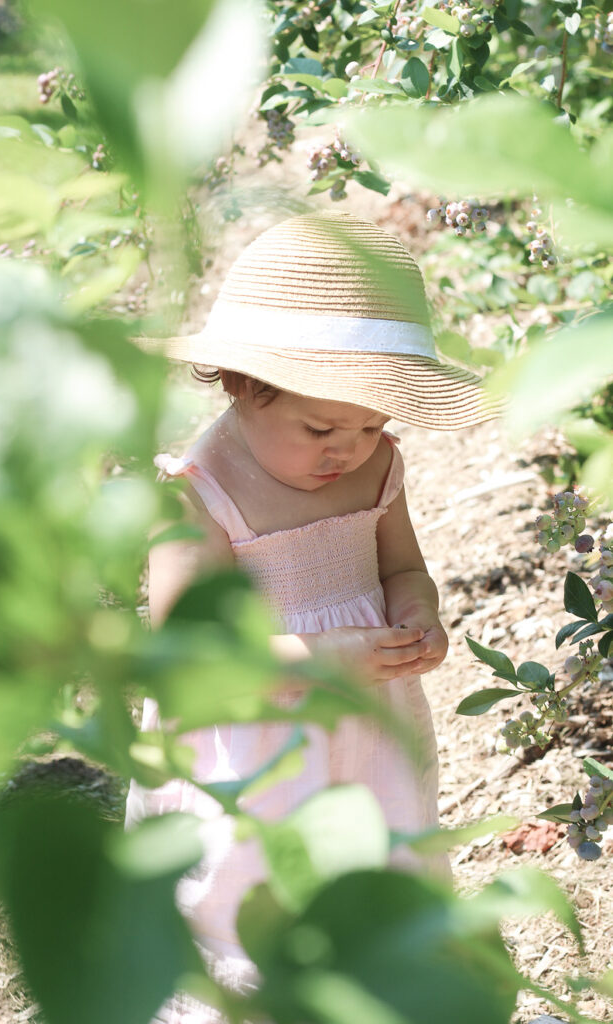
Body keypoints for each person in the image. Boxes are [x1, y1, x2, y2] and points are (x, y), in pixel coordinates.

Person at [126, 211, 500, 1023]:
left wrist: (416, 612)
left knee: (378, 844)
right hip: (253, 733)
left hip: (367, 715)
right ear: (241, 385)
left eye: (372, 425)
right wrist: (321, 654)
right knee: (251, 875)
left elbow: (401, 563)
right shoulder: (197, 490)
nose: (348, 449)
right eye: (321, 427)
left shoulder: (376, 471)